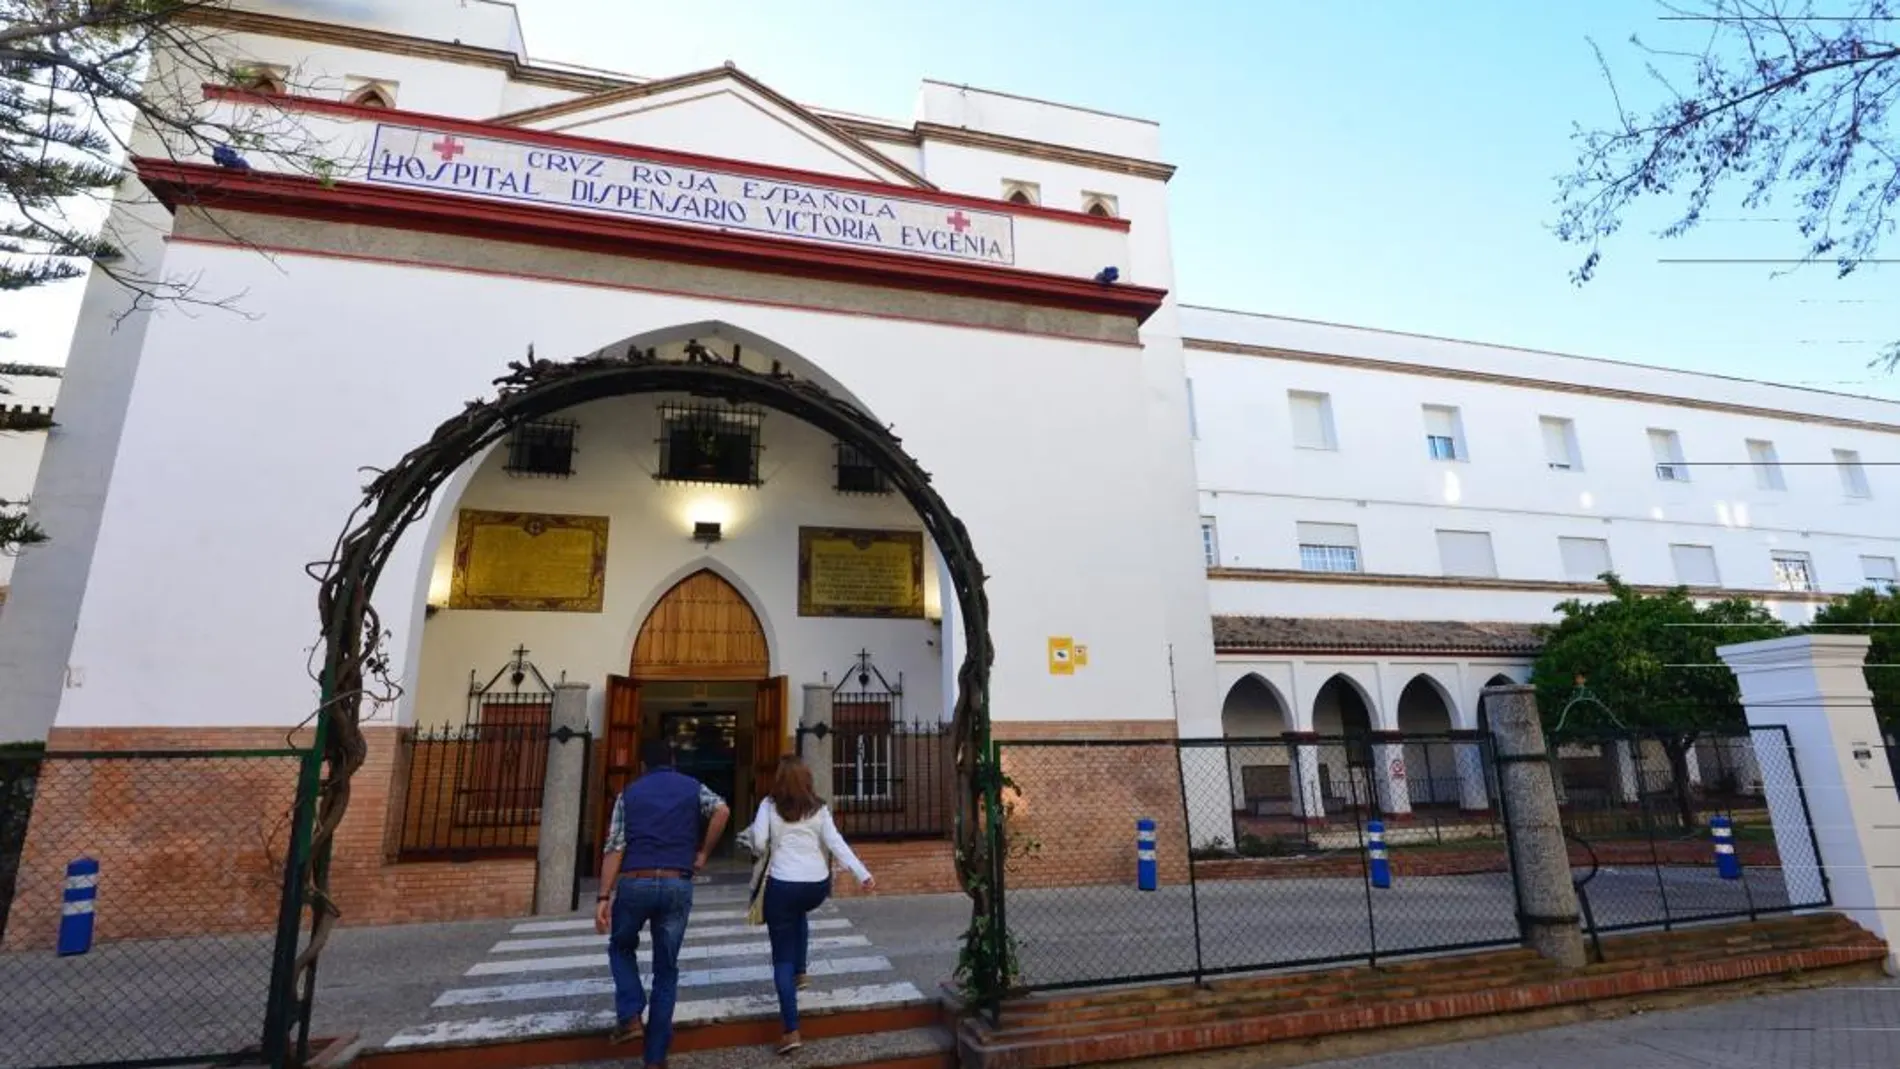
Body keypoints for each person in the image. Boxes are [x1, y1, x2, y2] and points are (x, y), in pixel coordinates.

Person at [597, 738, 731, 1067]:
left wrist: (603, 895)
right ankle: (655, 1058)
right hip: (676, 881)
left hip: (635, 881)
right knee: (666, 970)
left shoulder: (628, 794)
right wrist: (703, 853)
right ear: (672, 760)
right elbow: (722, 810)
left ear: (642, 765)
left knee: (620, 946)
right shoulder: (692, 787)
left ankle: (630, 1015)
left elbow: (614, 846)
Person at [747, 755, 874, 1055]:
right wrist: (862, 873)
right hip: (816, 886)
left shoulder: (768, 805)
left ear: (779, 779)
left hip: (783, 885)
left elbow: (758, 842)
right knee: (798, 912)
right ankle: (801, 971)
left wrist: (760, 843)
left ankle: (790, 1031)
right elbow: (836, 843)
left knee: (781, 959)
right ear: (806, 779)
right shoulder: (818, 807)